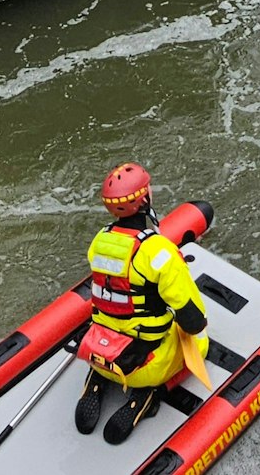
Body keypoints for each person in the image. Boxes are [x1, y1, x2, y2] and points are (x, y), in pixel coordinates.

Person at [74, 163, 210, 444]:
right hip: (145, 366)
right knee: (201, 343)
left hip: (100, 352)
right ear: (144, 199)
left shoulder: (99, 241)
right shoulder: (158, 252)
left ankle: (97, 379)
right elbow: (194, 321)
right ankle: (149, 395)